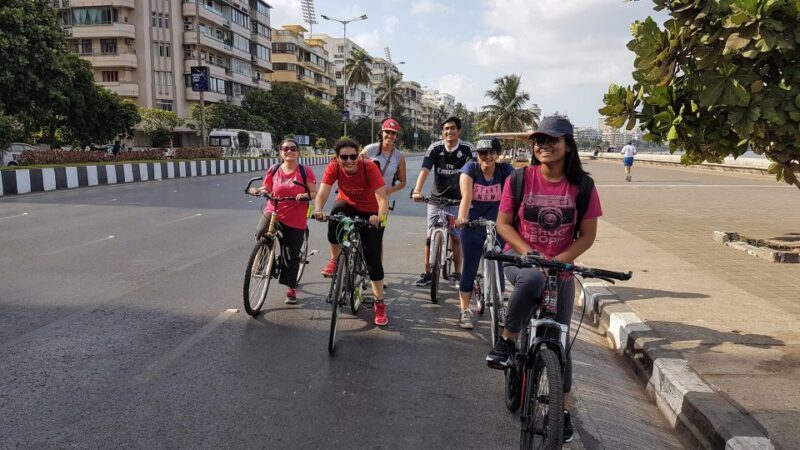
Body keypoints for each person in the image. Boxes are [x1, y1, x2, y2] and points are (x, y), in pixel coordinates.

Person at [485, 116, 602, 443]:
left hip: (561, 269)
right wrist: (530, 253)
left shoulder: (584, 186)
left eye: (551, 140)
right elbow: (503, 225)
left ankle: (561, 412)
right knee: (534, 279)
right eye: (538, 141)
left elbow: (587, 235)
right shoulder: (520, 179)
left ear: (568, 144)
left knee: (562, 343)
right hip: (520, 259)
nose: (543, 146)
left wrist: (559, 261)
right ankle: (507, 341)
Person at [313, 138, 390, 326]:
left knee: (373, 261)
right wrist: (317, 210)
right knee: (334, 218)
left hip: (370, 211)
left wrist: (379, 218)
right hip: (346, 205)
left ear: (359, 155)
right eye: (344, 157)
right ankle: (334, 260)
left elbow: (382, 198)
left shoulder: (369, 167)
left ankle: (379, 303)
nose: (349, 160)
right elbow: (323, 193)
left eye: (353, 156)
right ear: (337, 157)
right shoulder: (333, 167)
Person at [454, 137, 513, 329]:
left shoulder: (506, 171)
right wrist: (462, 218)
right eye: (483, 153)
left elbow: (514, 197)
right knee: (469, 268)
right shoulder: (470, 170)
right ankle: (464, 311)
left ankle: (501, 306)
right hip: (473, 225)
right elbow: (466, 197)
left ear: (497, 154)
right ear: (477, 155)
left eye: (491, 152)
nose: (487, 156)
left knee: (499, 265)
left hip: (498, 226)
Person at [252, 139, 318, 304]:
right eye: (285, 149)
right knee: (261, 231)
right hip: (273, 209)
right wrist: (257, 191)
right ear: (280, 152)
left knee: (290, 255)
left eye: (293, 149)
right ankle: (264, 260)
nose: (289, 152)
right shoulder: (274, 169)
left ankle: (291, 288)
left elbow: (314, 193)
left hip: (295, 215)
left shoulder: (304, 171)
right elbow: (267, 188)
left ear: (298, 152)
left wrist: (304, 195)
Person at [411, 116, 474, 287]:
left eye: (453, 128)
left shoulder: (468, 149)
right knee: (430, 237)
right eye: (446, 129)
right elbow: (425, 170)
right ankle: (428, 272)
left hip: (457, 201)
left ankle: (458, 273)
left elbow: (476, 172)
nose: (449, 131)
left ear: (459, 131)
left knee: (456, 237)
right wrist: (417, 190)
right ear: (442, 132)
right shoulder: (435, 148)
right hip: (435, 199)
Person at [360, 118, 407, 197]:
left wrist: (388, 191)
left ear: (396, 136)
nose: (390, 135)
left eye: (393, 133)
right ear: (382, 133)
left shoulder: (399, 157)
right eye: (387, 132)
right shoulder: (369, 149)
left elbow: (403, 182)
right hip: (365, 196)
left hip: (383, 198)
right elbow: (355, 168)